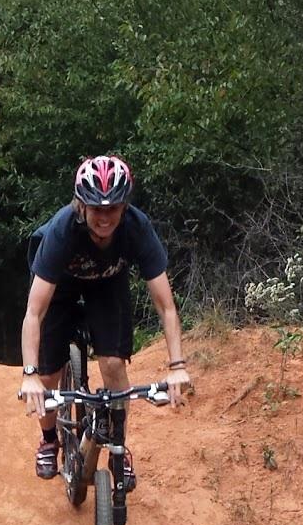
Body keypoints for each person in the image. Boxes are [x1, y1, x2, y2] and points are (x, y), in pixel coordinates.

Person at [19, 154, 192, 481]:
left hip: (107, 283)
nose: (104, 217)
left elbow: (165, 305)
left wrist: (177, 366)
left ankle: (118, 444)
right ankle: (48, 440)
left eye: (112, 208)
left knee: (113, 364)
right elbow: (34, 311)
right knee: (48, 373)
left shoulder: (137, 229)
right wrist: (29, 374)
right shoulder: (61, 232)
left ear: (124, 207)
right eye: (97, 208)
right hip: (59, 287)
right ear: (81, 206)